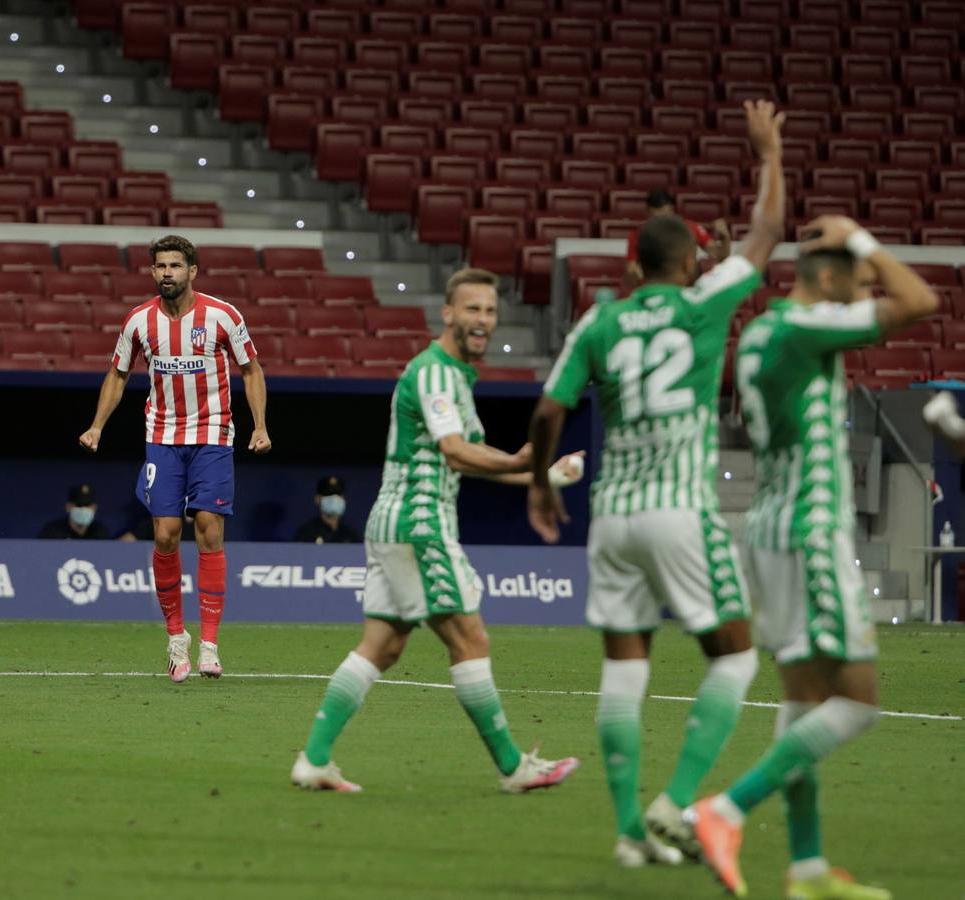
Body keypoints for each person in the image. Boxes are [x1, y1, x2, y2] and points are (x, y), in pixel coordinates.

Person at [526, 101, 787, 868]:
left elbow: (548, 409)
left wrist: (542, 483)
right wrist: (767, 153)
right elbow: (768, 236)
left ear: (633, 266)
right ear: (691, 264)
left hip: (612, 517)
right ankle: (674, 803)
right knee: (735, 656)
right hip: (681, 510)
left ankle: (627, 832)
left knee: (624, 670)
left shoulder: (599, 321)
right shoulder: (704, 302)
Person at [682, 218, 938, 900]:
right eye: (853, 282)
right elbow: (920, 304)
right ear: (827, 278)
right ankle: (726, 809)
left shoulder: (762, 331)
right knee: (857, 705)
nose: (860, 293)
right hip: (811, 531)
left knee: (803, 705)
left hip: (770, 528)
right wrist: (865, 241)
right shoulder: (804, 327)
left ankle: (807, 870)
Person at [290, 267, 585, 796]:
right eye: (472, 309)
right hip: (418, 522)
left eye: (491, 311)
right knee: (470, 638)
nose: (483, 320)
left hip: (395, 522)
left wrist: (539, 474)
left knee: (382, 646)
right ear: (448, 313)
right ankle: (513, 766)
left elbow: (462, 460)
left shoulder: (454, 377)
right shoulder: (434, 372)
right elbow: (455, 451)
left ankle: (313, 759)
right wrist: (528, 465)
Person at [79, 234, 270, 682]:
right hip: (162, 437)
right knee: (166, 535)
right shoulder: (139, 322)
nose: (167, 273)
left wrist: (260, 426)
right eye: (160, 266)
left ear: (192, 271)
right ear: (153, 272)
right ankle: (175, 640)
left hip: (213, 436)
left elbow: (251, 370)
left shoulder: (223, 316)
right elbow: (117, 374)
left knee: (208, 530)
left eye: (175, 266)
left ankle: (209, 645)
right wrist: (96, 425)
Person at [622, 189, 732, 294]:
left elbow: (721, 255)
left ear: (671, 209)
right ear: (648, 212)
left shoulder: (691, 228)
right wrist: (635, 274)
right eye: (656, 217)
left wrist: (725, 238)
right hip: (654, 294)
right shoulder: (638, 235)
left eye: (664, 216)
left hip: (686, 293)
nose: (661, 222)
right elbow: (631, 274)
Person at [292, 475, 362, 543]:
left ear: (344, 498)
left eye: (338, 495)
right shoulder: (306, 535)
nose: (334, 499)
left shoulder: (351, 536)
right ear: (317, 499)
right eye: (329, 494)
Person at [37, 483, 112, 539]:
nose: (83, 509)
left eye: (87, 505)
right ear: (68, 507)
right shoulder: (52, 531)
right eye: (79, 505)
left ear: (95, 508)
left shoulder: (101, 532)